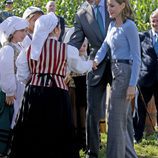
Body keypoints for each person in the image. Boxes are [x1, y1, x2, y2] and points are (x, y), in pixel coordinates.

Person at [10, 12, 93, 158]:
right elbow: (79, 67)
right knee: (58, 131)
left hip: (34, 93)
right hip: (58, 94)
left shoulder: (29, 50)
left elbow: (22, 75)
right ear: (55, 30)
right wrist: (92, 63)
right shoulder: (66, 49)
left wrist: (37, 77)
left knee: (32, 130)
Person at [93, 0, 141, 157]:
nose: (109, 9)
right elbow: (104, 47)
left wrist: (132, 85)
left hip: (125, 74)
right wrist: (95, 61)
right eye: (108, 5)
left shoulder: (130, 27)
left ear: (122, 6)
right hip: (115, 73)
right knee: (123, 122)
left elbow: (136, 58)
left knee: (114, 120)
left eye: (112, 5)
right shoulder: (112, 25)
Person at [69, 0, 112, 157]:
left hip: (118, 63)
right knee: (92, 110)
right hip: (95, 65)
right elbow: (75, 41)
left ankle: (121, 148)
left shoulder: (115, 3)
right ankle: (92, 151)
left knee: (120, 110)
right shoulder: (81, 14)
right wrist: (61, 52)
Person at [0, 16, 28, 156]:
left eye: (25, 30)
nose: (24, 33)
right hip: (12, 88)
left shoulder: (19, 46)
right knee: (9, 117)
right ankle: (5, 148)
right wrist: (9, 91)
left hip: (20, 86)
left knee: (17, 116)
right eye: (21, 30)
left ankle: (14, 147)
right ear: (12, 32)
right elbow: (6, 71)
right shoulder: (8, 49)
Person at [133, 9, 158, 143]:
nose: (155, 23)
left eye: (157, 20)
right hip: (144, 78)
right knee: (139, 109)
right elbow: (135, 55)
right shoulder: (142, 36)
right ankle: (137, 136)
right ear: (150, 22)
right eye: (153, 20)